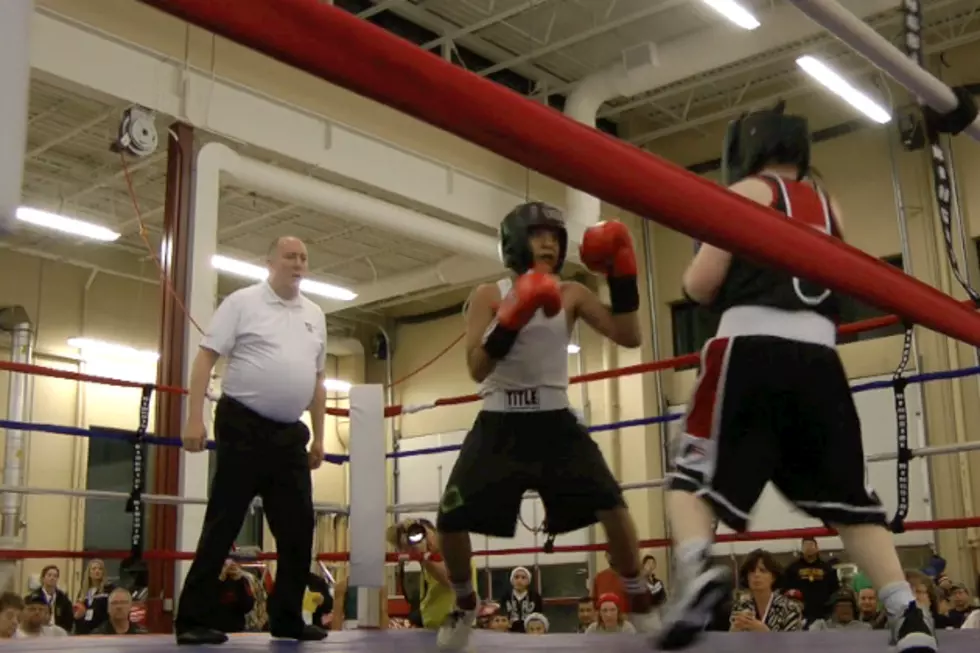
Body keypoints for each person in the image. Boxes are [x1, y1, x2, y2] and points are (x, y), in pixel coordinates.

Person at [654, 100, 938, 653]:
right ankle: (908, 615)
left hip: (749, 350)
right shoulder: (832, 208)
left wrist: (696, 258)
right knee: (850, 500)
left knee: (691, 478)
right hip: (820, 362)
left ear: (746, 151)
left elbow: (699, 286)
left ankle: (695, 573)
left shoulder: (745, 194)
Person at [434, 201, 652, 651]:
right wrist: (512, 313)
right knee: (450, 518)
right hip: (499, 422)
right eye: (538, 235)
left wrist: (622, 277)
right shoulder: (487, 295)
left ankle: (641, 601)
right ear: (515, 242)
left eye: (555, 234)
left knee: (613, 505)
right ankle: (464, 604)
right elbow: (476, 367)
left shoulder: (572, 293)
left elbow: (630, 336)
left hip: (555, 422)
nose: (549, 242)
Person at [175, 236, 329, 646]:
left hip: (289, 434)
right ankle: (191, 619)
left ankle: (287, 619)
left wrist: (319, 434)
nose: (298, 263)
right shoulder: (242, 303)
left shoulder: (315, 314)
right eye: (290, 256)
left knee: (299, 528)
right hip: (242, 425)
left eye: (303, 257)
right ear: (270, 261)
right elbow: (205, 357)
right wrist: (194, 418)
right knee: (223, 523)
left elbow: (317, 379)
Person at [387, 518, 475, 632]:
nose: (425, 541)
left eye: (425, 534)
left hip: (454, 629)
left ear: (435, 532)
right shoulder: (429, 560)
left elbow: (450, 579)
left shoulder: (454, 552)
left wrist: (422, 557)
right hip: (432, 630)